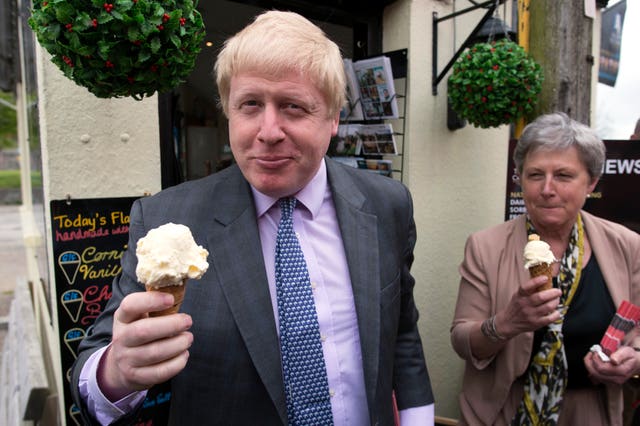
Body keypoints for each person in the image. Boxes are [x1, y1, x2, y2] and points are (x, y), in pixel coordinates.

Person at [70, 10, 434, 425]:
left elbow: (402, 332)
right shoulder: (166, 219)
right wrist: (116, 372)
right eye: (250, 105)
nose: (268, 130)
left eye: (293, 107)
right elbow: (91, 373)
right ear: (229, 111)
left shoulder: (387, 204)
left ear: (333, 118)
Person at [450, 112, 640, 426]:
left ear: (591, 182)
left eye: (563, 176)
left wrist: (633, 358)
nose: (547, 189)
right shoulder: (485, 246)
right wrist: (505, 324)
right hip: (504, 410)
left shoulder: (627, 246)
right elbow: (461, 340)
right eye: (535, 175)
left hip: (590, 412)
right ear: (520, 178)